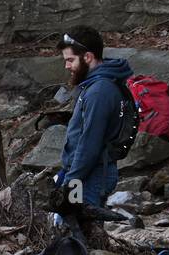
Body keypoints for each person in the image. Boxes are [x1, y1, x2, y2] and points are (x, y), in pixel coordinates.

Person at [55, 26, 131, 209]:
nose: (67, 66)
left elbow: (90, 142)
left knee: (79, 232)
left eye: (70, 60)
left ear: (87, 57)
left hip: (91, 176)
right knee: (73, 228)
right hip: (85, 174)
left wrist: (71, 182)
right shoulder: (95, 85)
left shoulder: (99, 92)